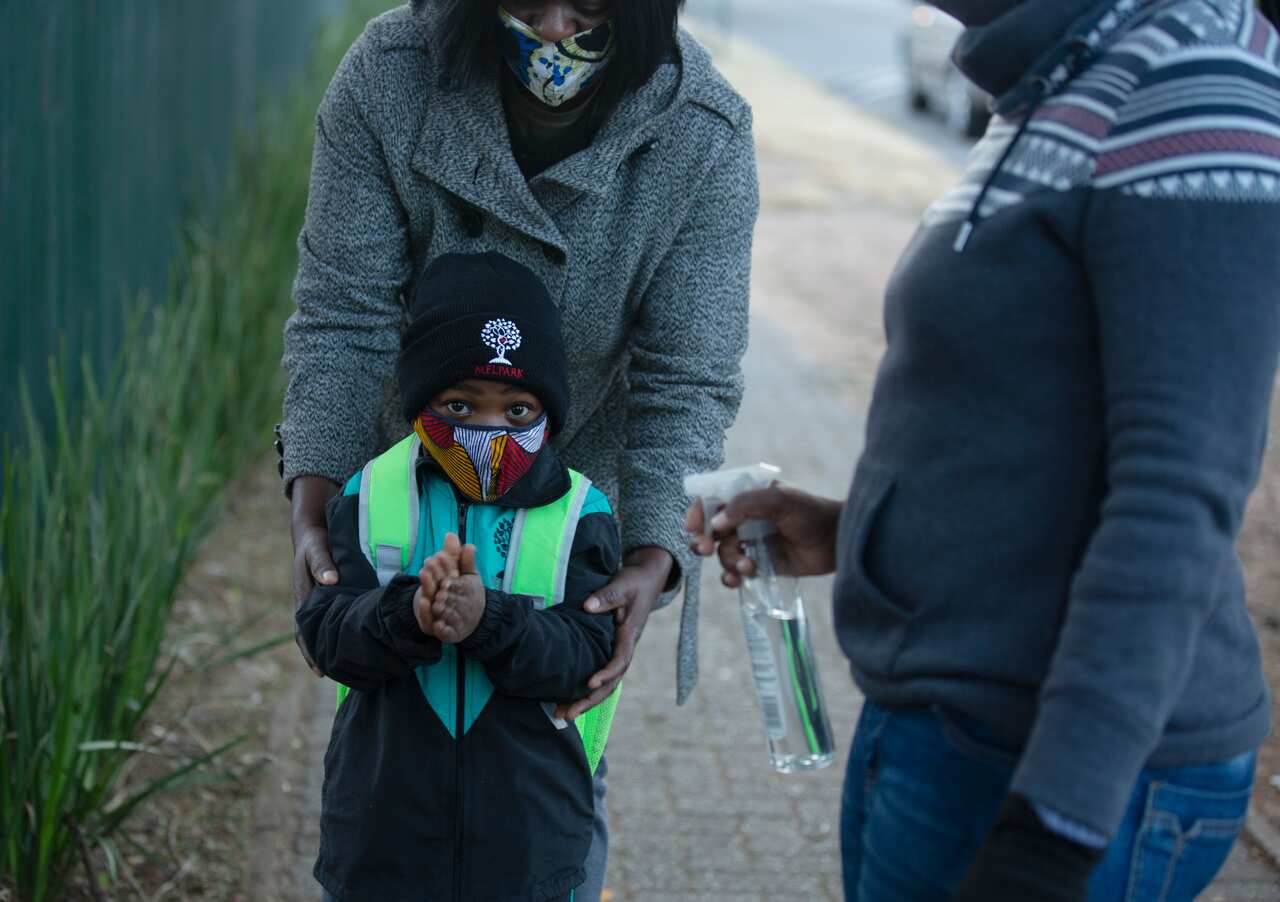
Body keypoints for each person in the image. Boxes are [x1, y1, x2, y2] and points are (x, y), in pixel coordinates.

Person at [691, 0, 1280, 899]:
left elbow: (1177, 495)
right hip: (949, 733)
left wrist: (1053, 831)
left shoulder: (1187, 77)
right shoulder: (1057, 79)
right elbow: (1035, 431)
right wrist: (855, 534)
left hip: (1057, 770)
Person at [277, 3, 758, 892]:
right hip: (405, 514)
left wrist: (652, 553)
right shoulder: (392, 73)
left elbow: (686, 376)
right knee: (393, 765)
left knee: (544, 785)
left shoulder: (704, 134)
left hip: (568, 536)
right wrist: (315, 498)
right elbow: (345, 314)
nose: (553, 23)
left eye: (589, 1)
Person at [297, 253, 621, 901]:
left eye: (518, 411)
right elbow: (325, 634)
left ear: (549, 410)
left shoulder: (581, 510)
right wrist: (407, 614)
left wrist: (490, 621)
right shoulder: (371, 494)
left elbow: (588, 654)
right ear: (421, 403)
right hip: (384, 847)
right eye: (460, 405)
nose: (489, 432)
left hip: (528, 852)